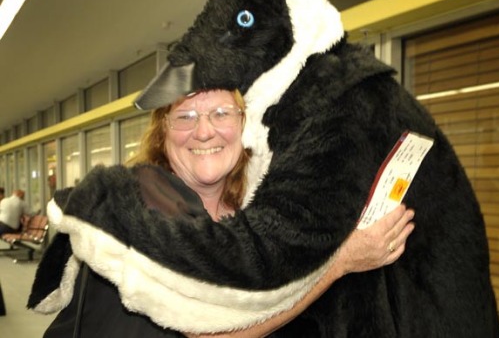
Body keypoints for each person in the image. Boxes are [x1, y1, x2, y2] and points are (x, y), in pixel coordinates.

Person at [30, 88, 414, 338]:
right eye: (185, 116)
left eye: (220, 113)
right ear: (162, 131)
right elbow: (208, 332)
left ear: (244, 126)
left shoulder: (243, 210)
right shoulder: (143, 200)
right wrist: (341, 262)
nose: (204, 131)